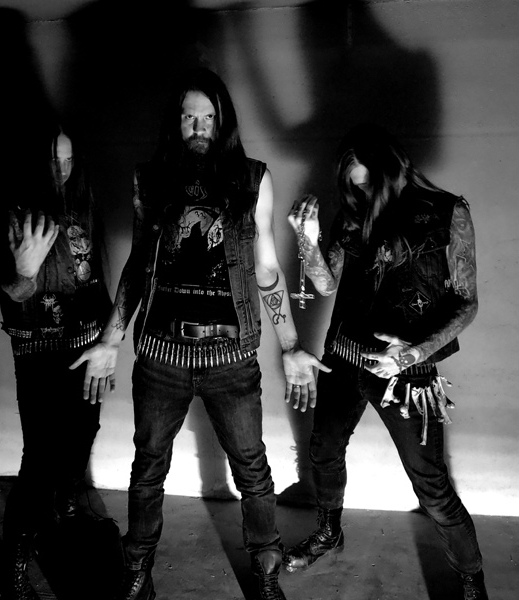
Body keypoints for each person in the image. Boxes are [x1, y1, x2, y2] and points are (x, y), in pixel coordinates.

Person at [71, 67, 327, 600]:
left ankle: (265, 571)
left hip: (230, 356)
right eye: (189, 117)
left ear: (222, 121)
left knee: (252, 469)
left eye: (208, 117)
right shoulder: (150, 179)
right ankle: (137, 572)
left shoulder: (252, 179)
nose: (198, 127)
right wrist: (111, 339)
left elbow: (266, 268)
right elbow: (139, 263)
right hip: (161, 354)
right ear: (176, 122)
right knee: (147, 468)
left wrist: (290, 345)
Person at [285, 123, 488, 599]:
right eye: (353, 188)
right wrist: (306, 240)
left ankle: (471, 581)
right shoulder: (353, 215)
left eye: (367, 184)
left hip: (406, 373)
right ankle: (328, 532)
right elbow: (326, 284)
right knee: (323, 451)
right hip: (343, 357)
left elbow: (467, 303)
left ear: (391, 170)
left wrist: (413, 353)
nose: (361, 195)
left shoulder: (447, 211)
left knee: (431, 486)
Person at [0, 125, 111, 600]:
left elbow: (94, 278)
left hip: (88, 348)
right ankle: (14, 573)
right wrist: (23, 272)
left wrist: (110, 340)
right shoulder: (14, 213)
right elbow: (13, 290)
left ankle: (65, 513)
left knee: (84, 433)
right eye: (52, 161)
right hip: (39, 352)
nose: (61, 170)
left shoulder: (82, 205)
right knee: (40, 459)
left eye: (68, 160)